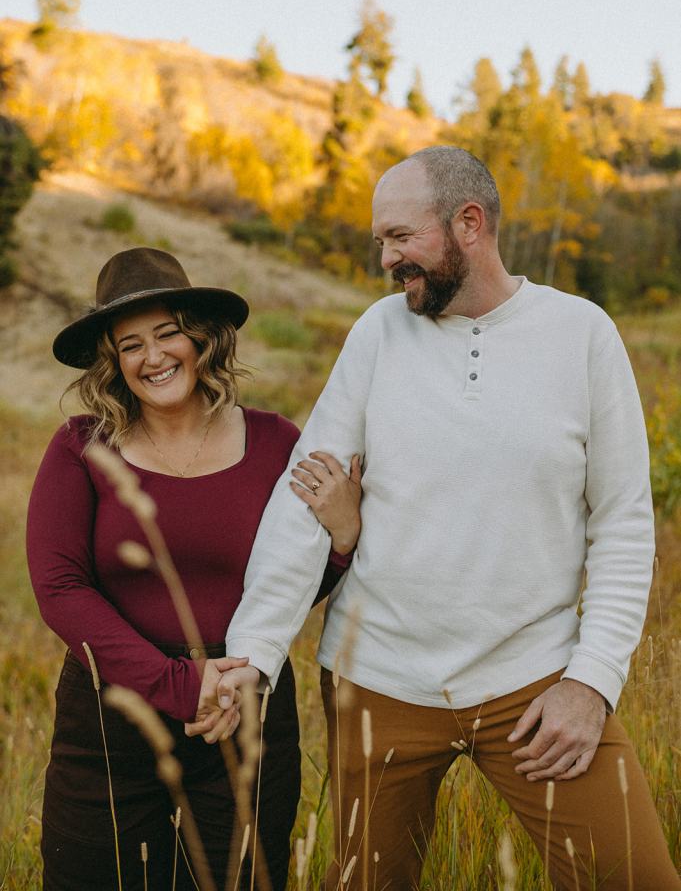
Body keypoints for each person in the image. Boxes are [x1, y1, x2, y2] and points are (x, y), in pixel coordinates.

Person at [196, 148, 680, 889]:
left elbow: (620, 524)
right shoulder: (377, 335)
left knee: (635, 878)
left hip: (533, 681)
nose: (386, 260)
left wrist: (591, 682)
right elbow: (307, 497)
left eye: (398, 238)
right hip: (377, 680)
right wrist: (255, 650)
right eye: (379, 243)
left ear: (468, 223)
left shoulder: (582, 335)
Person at [26, 247, 361, 891]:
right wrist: (181, 684)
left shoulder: (273, 444)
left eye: (168, 334)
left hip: (245, 708)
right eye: (130, 346)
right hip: (112, 717)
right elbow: (60, 589)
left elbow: (289, 581)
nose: (152, 358)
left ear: (202, 339)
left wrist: (342, 539)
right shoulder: (81, 447)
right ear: (113, 362)